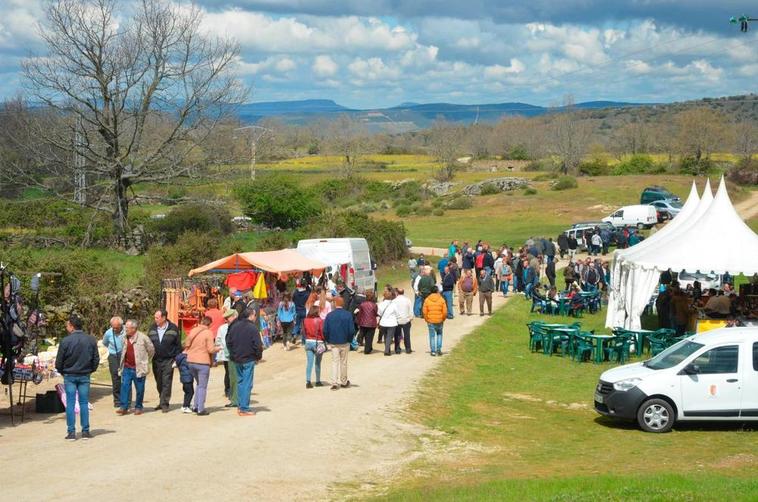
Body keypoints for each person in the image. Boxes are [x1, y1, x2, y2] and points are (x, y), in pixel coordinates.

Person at [55, 314, 99, 441]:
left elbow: (59, 362)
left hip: (70, 375)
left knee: (70, 403)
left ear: (72, 326)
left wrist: (63, 371)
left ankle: (71, 432)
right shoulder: (91, 340)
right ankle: (85, 431)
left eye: (67, 325)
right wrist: (91, 370)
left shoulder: (65, 341)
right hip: (84, 375)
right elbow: (96, 358)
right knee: (84, 403)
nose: (66, 327)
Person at [226, 308, 263, 416]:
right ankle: (244, 408)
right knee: (247, 383)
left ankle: (240, 405)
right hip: (248, 359)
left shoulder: (234, 326)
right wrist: (258, 357)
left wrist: (233, 354)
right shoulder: (252, 328)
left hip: (237, 358)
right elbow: (258, 345)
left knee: (241, 382)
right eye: (255, 315)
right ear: (251, 316)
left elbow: (228, 342)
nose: (255, 317)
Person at [116, 319, 155, 416]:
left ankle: (138, 407)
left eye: (127, 328)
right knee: (125, 387)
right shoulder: (124, 338)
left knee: (140, 389)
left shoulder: (143, 338)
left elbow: (151, 350)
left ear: (134, 328)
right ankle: (123, 407)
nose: (125, 330)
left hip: (139, 368)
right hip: (127, 367)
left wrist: (145, 361)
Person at [184, 316, 220, 416]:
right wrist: (218, 348)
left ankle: (195, 406)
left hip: (191, 361)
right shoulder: (208, 333)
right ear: (209, 324)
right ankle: (200, 408)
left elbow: (186, 343)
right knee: (202, 386)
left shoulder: (193, 330)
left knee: (199, 384)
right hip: (203, 362)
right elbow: (211, 350)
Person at [147, 310, 181, 413]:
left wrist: (176, 359)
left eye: (157, 317)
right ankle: (161, 400)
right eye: (155, 317)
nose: (155, 319)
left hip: (168, 359)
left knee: (167, 381)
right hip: (156, 360)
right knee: (159, 382)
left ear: (164, 317)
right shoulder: (152, 328)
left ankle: (165, 403)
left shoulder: (173, 328)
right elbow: (148, 343)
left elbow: (178, 345)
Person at [323, 296, 354, 390]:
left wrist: (328, 339)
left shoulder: (329, 315)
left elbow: (325, 330)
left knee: (334, 362)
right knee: (343, 362)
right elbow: (351, 330)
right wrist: (349, 340)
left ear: (335, 304)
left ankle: (334, 383)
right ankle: (344, 381)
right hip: (345, 341)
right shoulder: (348, 315)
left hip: (333, 341)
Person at [216, 309, 238, 407]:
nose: (226, 319)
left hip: (232, 355)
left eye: (227, 318)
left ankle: (232, 395)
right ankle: (231, 394)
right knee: (230, 374)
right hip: (229, 355)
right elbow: (219, 340)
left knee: (231, 375)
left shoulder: (229, 327)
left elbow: (220, 340)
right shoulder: (224, 327)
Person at [102, 316, 124, 408]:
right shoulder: (108, 333)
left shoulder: (126, 331)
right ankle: (117, 400)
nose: (115, 329)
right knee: (115, 378)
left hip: (124, 356)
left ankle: (126, 399)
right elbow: (105, 343)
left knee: (126, 377)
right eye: (113, 327)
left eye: (117, 327)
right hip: (113, 356)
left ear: (121, 325)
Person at [303, 306, 326, 388]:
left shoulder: (305, 320)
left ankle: (308, 381)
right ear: (316, 312)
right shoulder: (320, 321)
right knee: (318, 363)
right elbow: (322, 333)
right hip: (318, 342)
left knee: (309, 363)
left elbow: (304, 331)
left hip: (308, 342)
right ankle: (318, 381)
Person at [423, 286, 448, 356]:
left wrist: (426, 319)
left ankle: (433, 351)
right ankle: (439, 350)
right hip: (439, 320)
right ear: (437, 291)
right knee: (439, 334)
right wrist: (443, 318)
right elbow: (445, 311)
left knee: (432, 336)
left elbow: (424, 312)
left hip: (430, 320)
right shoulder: (441, 299)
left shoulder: (427, 300)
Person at [377, 286, 400, 355]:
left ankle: (388, 349)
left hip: (383, 323)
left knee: (386, 336)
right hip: (392, 323)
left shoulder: (380, 304)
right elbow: (397, 314)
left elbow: (379, 313)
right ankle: (387, 350)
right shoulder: (394, 304)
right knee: (389, 337)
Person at [395, 287, 414, 353]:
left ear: (397, 292)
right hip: (406, 319)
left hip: (397, 320)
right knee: (407, 335)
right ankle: (408, 348)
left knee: (397, 335)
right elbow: (411, 309)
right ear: (403, 292)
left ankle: (397, 349)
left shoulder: (395, 300)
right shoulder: (407, 300)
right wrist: (411, 317)